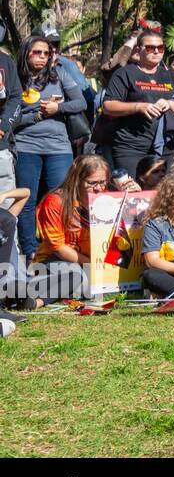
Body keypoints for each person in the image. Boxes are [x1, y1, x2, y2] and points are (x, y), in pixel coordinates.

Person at [12, 35, 86, 258]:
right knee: (27, 200)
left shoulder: (59, 74)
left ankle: (59, 249)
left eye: (46, 53)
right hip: (26, 146)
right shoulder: (15, 78)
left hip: (59, 148)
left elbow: (81, 102)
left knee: (61, 200)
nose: (42, 57)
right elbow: (10, 119)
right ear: (26, 52)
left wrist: (57, 109)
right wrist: (35, 116)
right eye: (37, 52)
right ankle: (30, 251)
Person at [101, 29, 174, 179]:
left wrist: (169, 103)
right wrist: (138, 107)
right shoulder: (125, 73)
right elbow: (108, 106)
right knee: (132, 191)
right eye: (150, 48)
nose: (156, 52)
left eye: (160, 48)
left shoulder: (169, 75)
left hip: (164, 146)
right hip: (131, 146)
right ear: (138, 49)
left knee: (160, 195)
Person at [31, 154, 112, 303]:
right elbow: (58, 248)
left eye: (103, 182)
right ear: (76, 180)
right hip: (54, 260)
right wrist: (93, 264)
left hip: (93, 262)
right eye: (92, 183)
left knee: (101, 287)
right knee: (82, 283)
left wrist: (132, 194)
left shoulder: (107, 198)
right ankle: (36, 288)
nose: (99, 188)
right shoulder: (55, 201)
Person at [0, 41, 20, 195]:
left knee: (5, 208)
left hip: (2, 147)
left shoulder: (6, 62)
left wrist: (4, 125)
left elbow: (15, 98)